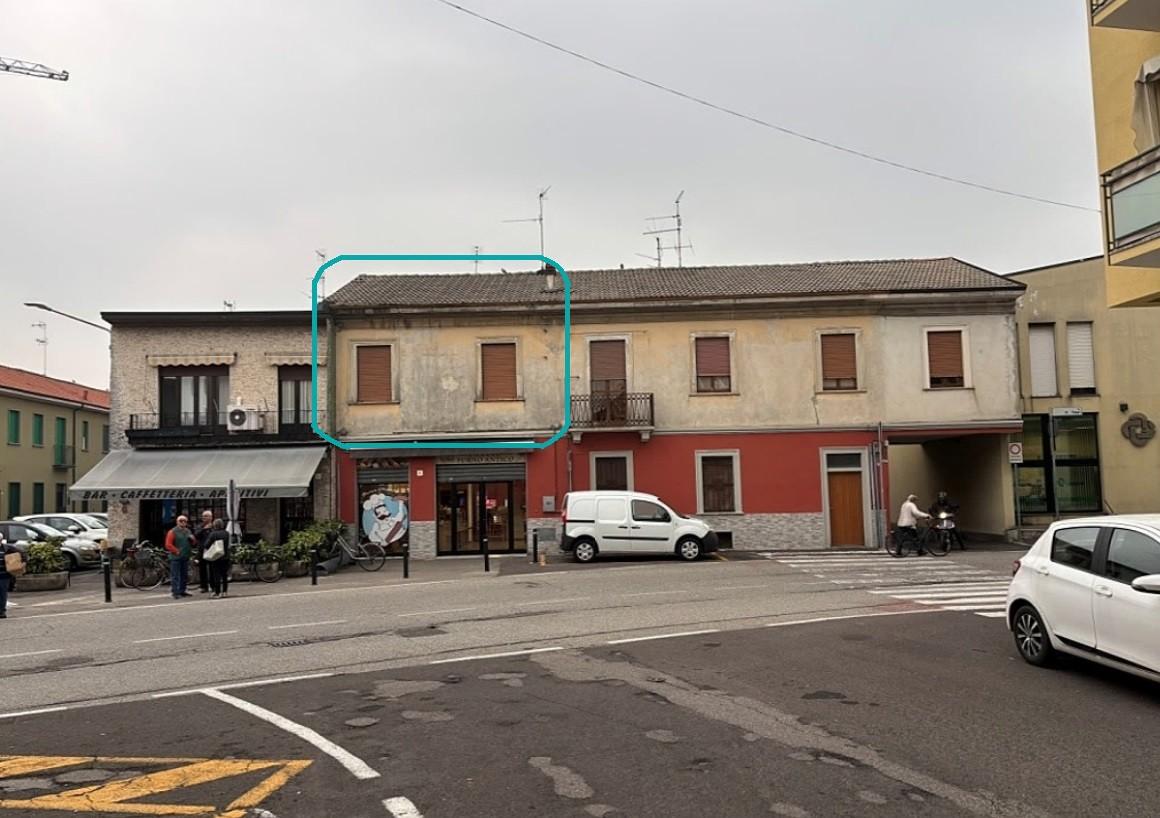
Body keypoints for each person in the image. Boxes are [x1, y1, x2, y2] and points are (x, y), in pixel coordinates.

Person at [164, 515, 195, 599]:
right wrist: (176, 551)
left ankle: (182, 590)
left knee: (184, 575)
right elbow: (168, 544)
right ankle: (175, 591)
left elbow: (193, 542)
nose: (183, 522)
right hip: (176, 557)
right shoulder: (172, 532)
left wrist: (193, 540)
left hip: (185, 555)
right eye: (181, 521)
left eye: (185, 521)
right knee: (175, 575)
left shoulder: (188, 531)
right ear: (177, 522)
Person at [204, 518, 232, 599]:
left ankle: (217, 592)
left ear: (214, 525)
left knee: (216, 575)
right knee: (224, 575)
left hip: (216, 557)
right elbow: (229, 545)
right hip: (225, 556)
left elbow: (206, 545)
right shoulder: (227, 533)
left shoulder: (213, 534)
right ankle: (225, 591)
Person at [0, 536, 24, 619]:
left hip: (4, 576)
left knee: (2, 594)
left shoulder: (8, 548)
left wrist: (23, 562)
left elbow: (22, 553)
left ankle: (1, 611)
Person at [194, 509, 214, 594]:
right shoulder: (200, 526)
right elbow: (196, 535)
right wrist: (204, 529)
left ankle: (213, 586)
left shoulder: (214, 526)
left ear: (211, 517)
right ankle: (203, 586)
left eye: (206, 516)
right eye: (203, 516)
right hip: (202, 550)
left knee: (212, 569)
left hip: (212, 550)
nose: (204, 518)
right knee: (202, 569)